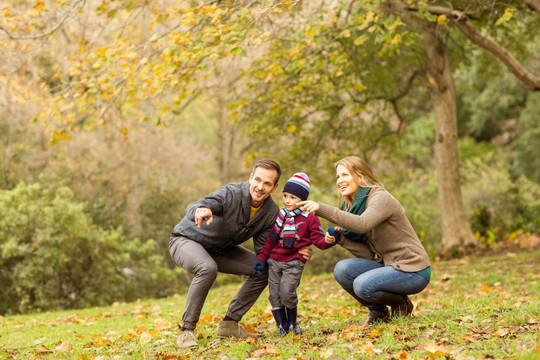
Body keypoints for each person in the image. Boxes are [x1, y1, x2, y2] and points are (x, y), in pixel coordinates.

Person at [169, 159, 312, 349]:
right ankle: (186, 331)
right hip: (186, 240)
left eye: (267, 183)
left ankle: (229, 323)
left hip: (220, 250)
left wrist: (296, 251)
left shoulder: (270, 213)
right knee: (207, 268)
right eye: (258, 180)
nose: (260, 187)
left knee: (264, 269)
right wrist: (202, 209)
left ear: (274, 187)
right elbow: (201, 204)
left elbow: (266, 251)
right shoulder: (231, 193)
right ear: (251, 177)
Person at [298, 156, 431, 326]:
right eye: (338, 176)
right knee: (342, 269)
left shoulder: (380, 197)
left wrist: (321, 208)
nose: (340, 180)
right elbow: (370, 255)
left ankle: (401, 304)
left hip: (413, 269)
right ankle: (378, 311)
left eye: (345, 175)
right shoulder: (352, 208)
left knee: (362, 285)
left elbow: (362, 225)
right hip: (388, 265)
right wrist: (341, 239)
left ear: (360, 177)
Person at [253, 173, 335, 336]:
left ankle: (292, 324)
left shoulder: (310, 219)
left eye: (292, 197)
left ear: (303, 199)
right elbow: (271, 240)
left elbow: (319, 241)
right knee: (274, 296)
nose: (287, 200)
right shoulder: (281, 216)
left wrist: (329, 239)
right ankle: (281, 326)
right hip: (274, 262)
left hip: (293, 263)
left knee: (287, 292)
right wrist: (261, 258)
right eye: (285, 196)